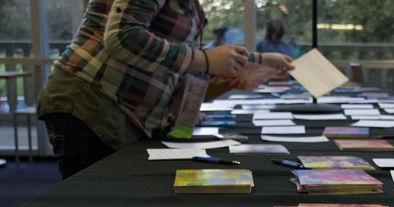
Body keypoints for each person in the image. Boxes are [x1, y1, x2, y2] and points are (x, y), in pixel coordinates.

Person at [38, 1, 293, 179]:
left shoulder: (192, 8)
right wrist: (204, 60)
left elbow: (174, 66)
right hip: (91, 103)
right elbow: (123, 37)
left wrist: (236, 73)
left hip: (120, 113)